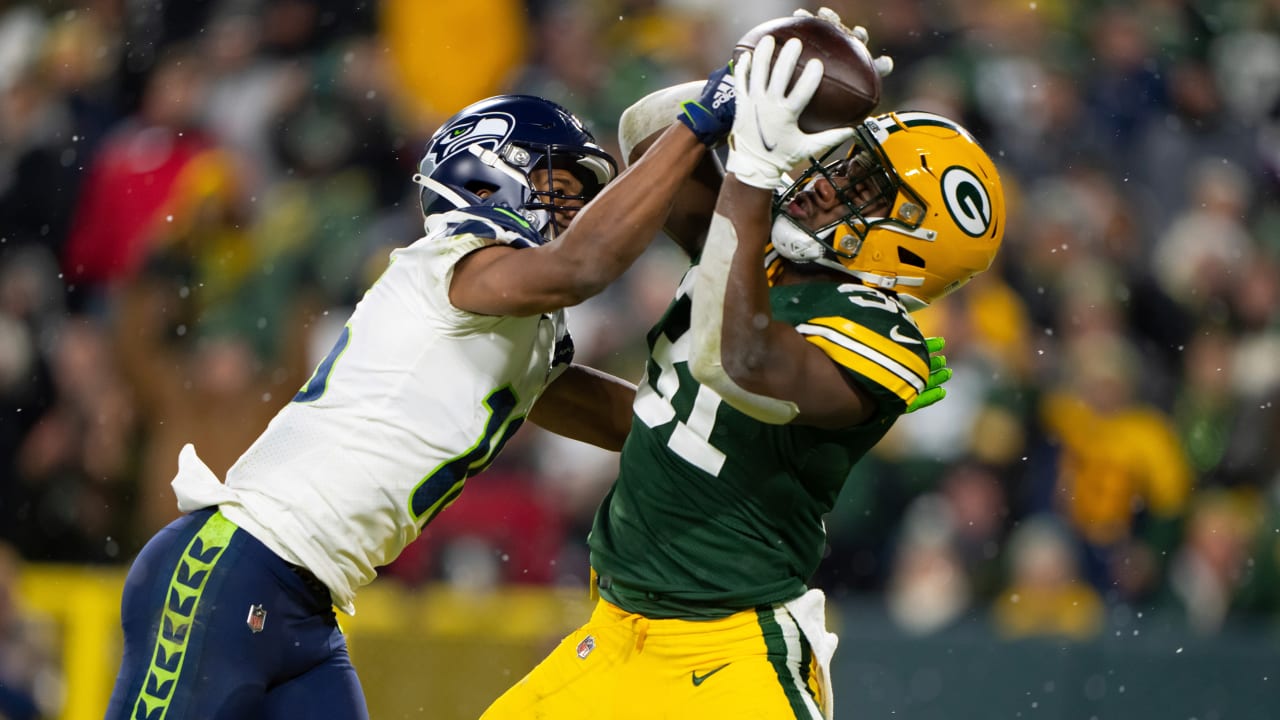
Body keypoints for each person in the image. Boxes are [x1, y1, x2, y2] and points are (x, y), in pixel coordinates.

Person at [104, 92, 719, 719]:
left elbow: (643, 423)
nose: (571, 209)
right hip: (235, 566)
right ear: (487, 172)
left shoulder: (521, 337)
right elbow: (584, 264)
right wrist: (698, 125)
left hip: (308, 606)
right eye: (555, 186)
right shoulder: (452, 263)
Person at [481, 14, 1005, 720]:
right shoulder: (759, 248)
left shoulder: (882, 336)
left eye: (866, 187)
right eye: (847, 160)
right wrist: (752, 83)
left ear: (915, 246)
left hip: (730, 658)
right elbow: (645, 137)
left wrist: (754, 169)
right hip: (615, 631)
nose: (829, 182)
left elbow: (736, 358)